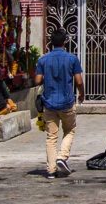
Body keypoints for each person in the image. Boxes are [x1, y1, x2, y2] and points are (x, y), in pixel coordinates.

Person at [34, 29, 84, 180]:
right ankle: (62, 157)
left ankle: (50, 171)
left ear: (51, 42)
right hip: (67, 102)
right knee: (70, 130)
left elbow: (37, 81)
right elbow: (79, 81)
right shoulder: (72, 59)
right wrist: (82, 93)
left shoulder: (43, 60)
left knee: (51, 137)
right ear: (65, 42)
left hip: (49, 103)